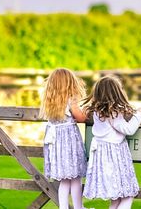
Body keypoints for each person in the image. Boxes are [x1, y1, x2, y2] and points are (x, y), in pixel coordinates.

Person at [83, 75, 141, 208]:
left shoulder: (97, 112)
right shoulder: (113, 113)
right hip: (114, 156)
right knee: (128, 196)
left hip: (102, 154)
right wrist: (139, 114)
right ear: (116, 92)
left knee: (116, 199)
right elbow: (128, 129)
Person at [41, 68, 88, 209]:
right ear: (69, 83)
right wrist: (86, 113)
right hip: (69, 141)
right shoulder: (71, 98)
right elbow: (80, 118)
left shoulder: (50, 100)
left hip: (56, 143)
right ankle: (78, 207)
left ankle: (63, 207)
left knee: (65, 180)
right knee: (76, 177)